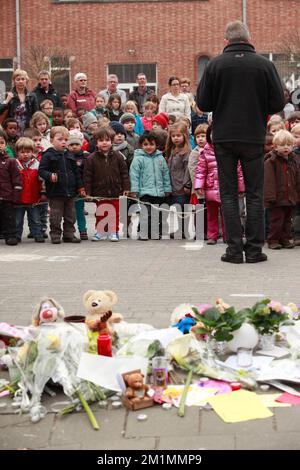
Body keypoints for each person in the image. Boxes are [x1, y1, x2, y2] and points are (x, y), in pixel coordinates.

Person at [196, 20, 285, 263]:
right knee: (254, 193)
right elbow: (278, 103)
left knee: (228, 194)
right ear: (248, 38)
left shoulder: (214, 65)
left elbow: (203, 103)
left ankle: (234, 250)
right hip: (253, 136)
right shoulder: (264, 65)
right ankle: (255, 249)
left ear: (227, 41)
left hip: (224, 137)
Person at [194, 126, 244, 245]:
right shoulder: (204, 152)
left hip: (227, 187)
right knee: (212, 214)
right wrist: (199, 186)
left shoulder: (231, 151)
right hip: (211, 187)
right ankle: (212, 236)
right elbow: (200, 170)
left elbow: (239, 170)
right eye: (212, 134)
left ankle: (228, 235)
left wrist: (241, 187)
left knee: (228, 213)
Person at [38, 126, 85, 244]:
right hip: (55, 192)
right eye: (60, 139)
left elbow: (76, 173)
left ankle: (69, 234)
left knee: (71, 215)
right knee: (55, 216)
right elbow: (41, 170)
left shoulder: (70, 155)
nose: (63, 142)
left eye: (65, 139)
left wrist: (80, 187)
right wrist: (49, 176)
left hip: (70, 192)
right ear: (51, 140)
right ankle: (55, 234)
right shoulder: (48, 155)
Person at [84, 127, 130, 242]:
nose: (104, 143)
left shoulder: (118, 157)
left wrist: (126, 188)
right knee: (101, 213)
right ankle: (100, 231)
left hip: (116, 191)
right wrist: (88, 192)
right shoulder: (91, 158)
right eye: (101, 140)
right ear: (96, 143)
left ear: (112, 141)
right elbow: (87, 177)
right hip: (99, 192)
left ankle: (114, 231)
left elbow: (124, 173)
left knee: (114, 213)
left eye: (107, 140)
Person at [130, 131, 172, 240]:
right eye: (145, 144)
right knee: (145, 213)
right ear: (141, 145)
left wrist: (167, 188)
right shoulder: (138, 158)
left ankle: (153, 232)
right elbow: (134, 175)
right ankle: (143, 232)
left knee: (155, 213)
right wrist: (134, 190)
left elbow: (165, 174)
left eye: (151, 144)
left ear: (156, 145)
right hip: (145, 192)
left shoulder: (160, 158)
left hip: (158, 192)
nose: (149, 147)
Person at [264, 130, 300, 249]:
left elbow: (297, 178)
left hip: (290, 197)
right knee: (276, 220)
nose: (286, 147)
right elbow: (269, 181)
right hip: (277, 198)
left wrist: (297, 194)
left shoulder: (294, 160)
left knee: (287, 220)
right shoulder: (271, 161)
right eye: (282, 145)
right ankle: (273, 239)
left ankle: (285, 238)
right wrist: (270, 197)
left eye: (289, 145)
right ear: (275, 146)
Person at [15, 137, 45, 243]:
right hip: (19, 199)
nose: (25, 154)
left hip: (34, 198)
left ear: (32, 152)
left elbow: (42, 180)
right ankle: (16, 235)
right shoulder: (15, 164)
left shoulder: (37, 164)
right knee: (17, 220)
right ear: (17, 153)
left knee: (35, 219)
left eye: (28, 152)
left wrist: (43, 193)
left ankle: (37, 234)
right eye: (22, 152)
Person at [165, 122, 191, 238]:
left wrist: (187, 185)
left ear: (184, 136)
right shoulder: (171, 150)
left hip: (181, 186)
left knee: (183, 210)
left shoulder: (186, 152)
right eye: (173, 136)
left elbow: (188, 170)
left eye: (178, 135)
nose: (176, 138)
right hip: (172, 186)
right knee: (177, 208)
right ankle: (179, 229)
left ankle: (184, 230)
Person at [0, 129, 22, 245]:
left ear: (6, 145)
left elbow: (17, 179)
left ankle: (11, 235)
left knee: (9, 217)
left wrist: (16, 195)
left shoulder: (11, 161)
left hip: (7, 196)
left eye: (1, 143)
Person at [0, 69, 39, 136]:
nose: (20, 81)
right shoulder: (8, 95)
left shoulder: (32, 96)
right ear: (14, 81)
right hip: (11, 129)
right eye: (18, 79)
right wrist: (6, 101)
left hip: (27, 129)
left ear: (26, 81)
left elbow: (36, 114)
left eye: (23, 79)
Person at [67, 129, 90, 240]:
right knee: (69, 213)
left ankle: (83, 230)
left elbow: (88, 174)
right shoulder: (65, 157)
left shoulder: (86, 157)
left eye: (77, 144)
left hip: (80, 189)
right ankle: (69, 231)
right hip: (68, 189)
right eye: (71, 144)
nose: (74, 146)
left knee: (80, 211)